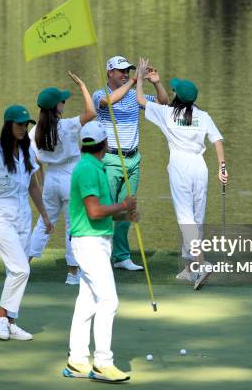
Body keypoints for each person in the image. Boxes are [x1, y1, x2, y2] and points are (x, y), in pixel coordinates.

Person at [135, 58, 229, 290]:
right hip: (200, 167)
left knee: (186, 219)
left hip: (180, 167)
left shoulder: (167, 114)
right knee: (197, 218)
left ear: (176, 96)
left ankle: (201, 263)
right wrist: (222, 168)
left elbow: (139, 100)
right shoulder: (204, 116)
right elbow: (217, 141)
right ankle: (189, 270)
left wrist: (140, 78)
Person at [62, 121, 137, 382]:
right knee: (108, 301)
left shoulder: (95, 167)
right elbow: (94, 211)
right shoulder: (87, 169)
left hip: (95, 240)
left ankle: (77, 360)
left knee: (88, 302)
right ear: (105, 144)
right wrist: (122, 204)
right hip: (90, 243)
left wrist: (125, 213)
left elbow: (96, 213)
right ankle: (103, 363)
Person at [0, 105, 53, 341]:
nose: (22, 128)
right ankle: (1, 316)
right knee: (21, 268)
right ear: (8, 125)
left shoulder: (27, 152)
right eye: (18, 124)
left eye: (26, 124)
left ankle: (11, 322)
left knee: (16, 272)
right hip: (2, 216)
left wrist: (45, 215)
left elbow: (33, 187)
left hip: (23, 216)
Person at [92, 55, 169, 271]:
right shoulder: (100, 94)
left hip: (133, 159)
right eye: (121, 71)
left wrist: (156, 82)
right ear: (109, 72)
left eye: (128, 71)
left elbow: (164, 103)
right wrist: (135, 81)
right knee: (106, 209)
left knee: (126, 209)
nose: (125, 74)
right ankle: (99, 256)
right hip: (110, 159)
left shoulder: (135, 96)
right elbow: (108, 101)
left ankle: (121, 257)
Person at [28, 72, 96, 285]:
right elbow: (91, 112)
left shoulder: (33, 132)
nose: (64, 103)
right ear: (55, 106)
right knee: (73, 225)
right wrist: (83, 85)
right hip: (70, 176)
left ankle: (22, 266)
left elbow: (36, 162)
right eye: (62, 101)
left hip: (51, 179)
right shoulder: (66, 125)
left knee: (43, 223)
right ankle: (73, 273)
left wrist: (43, 183)